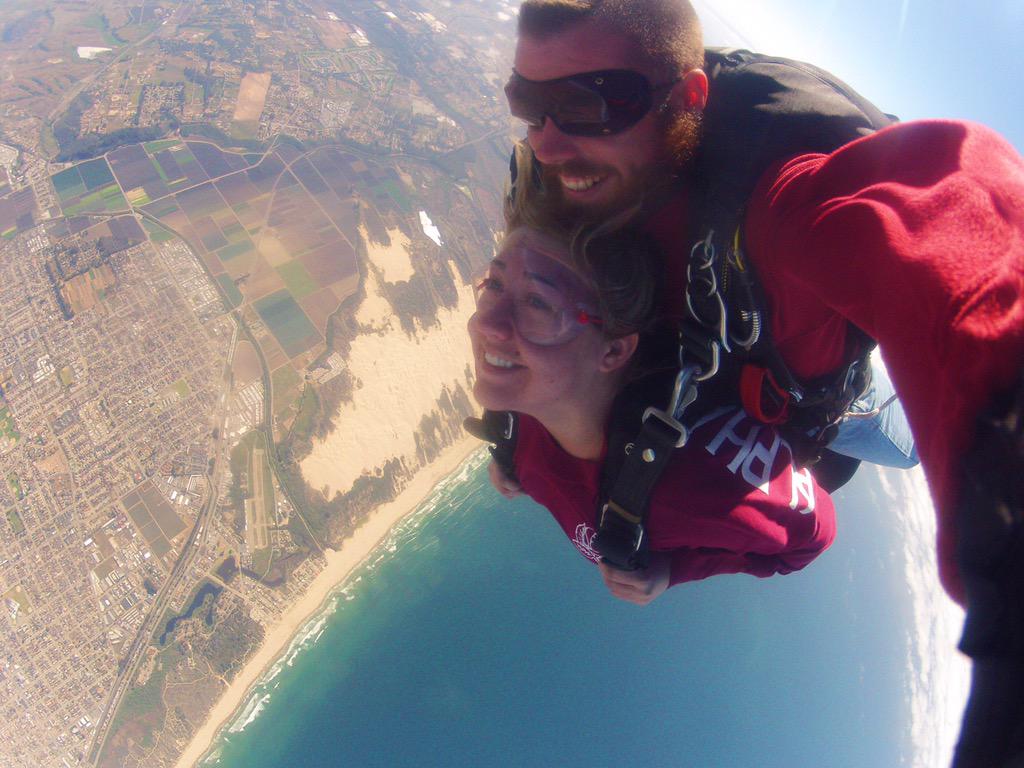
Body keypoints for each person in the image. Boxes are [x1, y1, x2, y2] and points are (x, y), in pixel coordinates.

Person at [501, 2, 1024, 764]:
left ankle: (880, 409)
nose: (548, 140)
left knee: (877, 439)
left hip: (800, 403)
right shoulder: (560, 178)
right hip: (710, 367)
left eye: (587, 104)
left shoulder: (780, 201)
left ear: (689, 100)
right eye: (528, 102)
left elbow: (960, 229)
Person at [468, 212, 837, 605]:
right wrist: (512, 462)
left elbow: (813, 537)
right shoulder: (517, 408)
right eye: (494, 283)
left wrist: (678, 569)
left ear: (613, 349)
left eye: (538, 303)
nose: (485, 323)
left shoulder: (697, 481)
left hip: (829, 422)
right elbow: (559, 473)